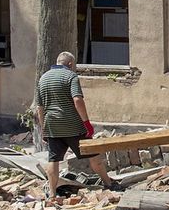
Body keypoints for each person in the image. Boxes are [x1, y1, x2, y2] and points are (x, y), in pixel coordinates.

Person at [35, 52, 117, 196]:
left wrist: (44, 129)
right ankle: (108, 184)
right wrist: (87, 123)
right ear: (71, 64)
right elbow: (77, 100)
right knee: (93, 155)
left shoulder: (43, 78)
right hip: (73, 126)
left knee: (53, 159)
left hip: (52, 126)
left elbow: (39, 108)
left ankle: (52, 194)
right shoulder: (71, 76)